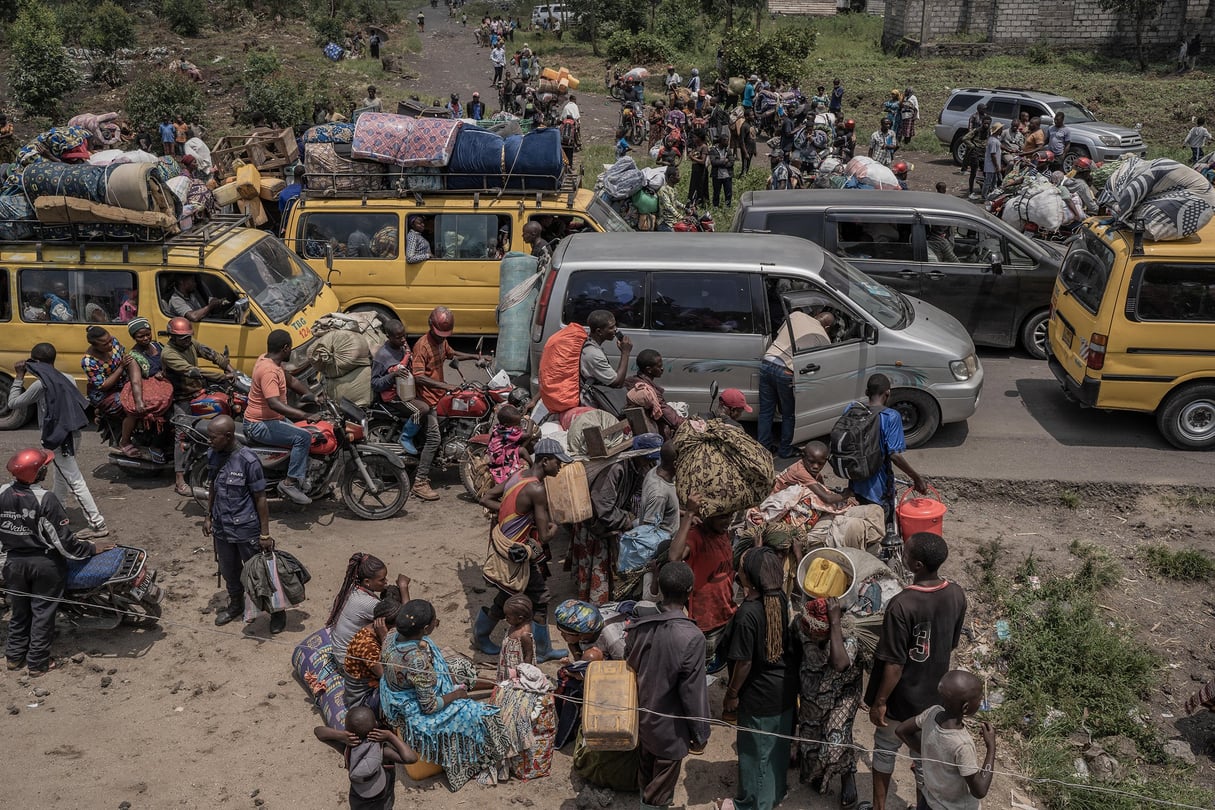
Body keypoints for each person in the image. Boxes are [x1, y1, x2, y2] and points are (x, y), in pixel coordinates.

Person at [866, 532, 969, 810]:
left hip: (901, 699)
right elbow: (951, 644)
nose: (904, 556)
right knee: (924, 759)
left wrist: (880, 702)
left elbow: (895, 664)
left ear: (917, 565)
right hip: (935, 700)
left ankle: (879, 807)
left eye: (908, 554)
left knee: (885, 750)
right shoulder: (957, 594)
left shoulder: (901, 604)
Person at [0, 449, 112, 676]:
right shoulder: (46, 499)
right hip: (44, 565)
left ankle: (13, 657)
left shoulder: (2, 492)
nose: (46, 469)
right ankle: (38, 663)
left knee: (20, 611)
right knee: (43, 613)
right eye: (44, 467)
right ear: (39, 473)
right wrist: (91, 548)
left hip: (12, 563)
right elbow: (65, 544)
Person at [380, 600, 510, 791]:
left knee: (459, 667)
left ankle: (493, 684)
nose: (436, 622)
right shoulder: (416, 660)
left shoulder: (392, 635)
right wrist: (456, 694)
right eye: (434, 620)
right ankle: (471, 766)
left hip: (406, 686)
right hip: (414, 708)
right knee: (482, 715)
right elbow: (429, 706)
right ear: (425, 628)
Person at [625, 561, 711, 809]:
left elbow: (630, 663)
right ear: (690, 591)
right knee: (660, 793)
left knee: (646, 776)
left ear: (659, 588)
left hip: (641, 722)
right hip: (670, 731)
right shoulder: (692, 637)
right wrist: (700, 733)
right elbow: (693, 694)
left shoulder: (640, 628)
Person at [475, 439, 570, 657]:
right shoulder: (537, 488)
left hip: (503, 545)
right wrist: (558, 525)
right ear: (545, 461)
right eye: (558, 462)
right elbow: (545, 536)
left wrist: (516, 514)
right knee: (540, 597)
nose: (560, 467)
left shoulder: (518, 475)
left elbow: (486, 498)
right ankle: (543, 650)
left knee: (507, 593)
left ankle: (481, 634)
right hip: (517, 552)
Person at [720, 548, 799, 810]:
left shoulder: (748, 614)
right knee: (775, 748)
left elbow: (744, 663)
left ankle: (752, 804)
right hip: (784, 689)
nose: (738, 571)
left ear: (749, 578)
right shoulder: (780, 599)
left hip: (758, 694)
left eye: (741, 568)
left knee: (756, 753)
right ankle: (776, 792)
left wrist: (731, 695)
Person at [8, 344, 109, 540]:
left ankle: (98, 524)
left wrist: (19, 376)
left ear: (35, 362)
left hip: (58, 439)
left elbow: (13, 403)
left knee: (75, 480)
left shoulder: (41, 384)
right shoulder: (66, 377)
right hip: (73, 435)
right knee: (61, 477)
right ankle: (58, 512)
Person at [201, 415, 271, 626]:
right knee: (229, 571)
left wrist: (265, 534)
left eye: (213, 437)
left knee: (257, 573)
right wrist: (208, 515)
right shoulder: (213, 454)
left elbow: (261, 498)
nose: (209, 441)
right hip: (222, 528)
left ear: (228, 436)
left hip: (246, 529)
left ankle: (275, 612)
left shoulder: (248, 460)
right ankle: (236, 606)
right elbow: (212, 485)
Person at [411, 306, 484, 501]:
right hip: (426, 397)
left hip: (439, 395)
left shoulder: (441, 341)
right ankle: (420, 481)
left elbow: (452, 354)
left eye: (445, 334)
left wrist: (475, 357)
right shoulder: (422, 346)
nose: (442, 337)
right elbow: (418, 377)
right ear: (430, 326)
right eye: (439, 334)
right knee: (433, 438)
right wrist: (445, 385)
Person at [897, 671, 995, 810]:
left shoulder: (932, 713)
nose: (981, 701)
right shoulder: (962, 744)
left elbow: (901, 731)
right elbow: (980, 790)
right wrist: (991, 747)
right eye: (979, 699)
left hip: (929, 801)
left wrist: (927, 753)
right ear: (965, 707)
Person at [161, 317, 235, 496]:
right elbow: (192, 371)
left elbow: (209, 352)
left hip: (199, 391)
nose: (187, 340)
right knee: (183, 434)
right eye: (183, 338)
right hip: (182, 397)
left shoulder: (189, 343)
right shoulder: (168, 353)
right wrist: (220, 377)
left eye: (188, 336)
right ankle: (179, 480)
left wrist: (228, 368)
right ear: (173, 336)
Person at [242, 330, 317, 506]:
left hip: (273, 419)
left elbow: (291, 381)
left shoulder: (269, 360)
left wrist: (313, 396)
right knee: (303, 436)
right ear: (285, 348)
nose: (291, 351)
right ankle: (289, 483)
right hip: (259, 424)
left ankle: (302, 475)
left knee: (309, 432)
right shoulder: (268, 371)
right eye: (290, 347)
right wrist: (306, 415)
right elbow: (274, 404)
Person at [845, 373, 927, 529]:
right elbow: (894, 455)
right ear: (887, 393)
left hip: (854, 482)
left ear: (866, 392)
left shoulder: (851, 409)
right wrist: (916, 478)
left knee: (860, 525)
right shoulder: (890, 416)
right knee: (881, 528)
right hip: (878, 489)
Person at [668, 494, 735, 672]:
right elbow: (674, 557)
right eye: (722, 516)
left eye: (730, 515)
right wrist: (689, 514)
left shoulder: (724, 534)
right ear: (709, 515)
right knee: (698, 669)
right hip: (705, 620)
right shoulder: (696, 536)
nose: (727, 521)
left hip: (725, 613)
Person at [759, 309, 833, 458]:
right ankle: (785, 450)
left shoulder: (796, 315)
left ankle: (763, 449)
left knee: (766, 411)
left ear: (816, 315)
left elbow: (781, 334)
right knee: (788, 414)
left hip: (767, 361)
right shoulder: (822, 336)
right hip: (786, 370)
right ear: (828, 327)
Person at [314, 705, 417, 810]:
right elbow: (411, 758)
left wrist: (341, 735)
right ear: (376, 725)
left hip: (358, 796)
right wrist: (390, 736)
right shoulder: (382, 750)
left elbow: (318, 732)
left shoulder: (347, 747)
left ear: (347, 729)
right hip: (382, 798)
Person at [342, 595, 401, 711]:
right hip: (364, 697)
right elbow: (389, 678)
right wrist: (385, 638)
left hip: (377, 681)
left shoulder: (376, 630)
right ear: (387, 626)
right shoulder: (368, 646)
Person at [626, 349, 685, 439]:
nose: (662, 369)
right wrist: (688, 424)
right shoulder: (649, 392)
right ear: (649, 370)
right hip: (655, 433)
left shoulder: (632, 381)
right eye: (659, 366)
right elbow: (671, 419)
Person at [82, 326, 128, 422]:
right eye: (105, 344)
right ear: (95, 346)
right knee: (127, 405)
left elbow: (123, 355)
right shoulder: (89, 361)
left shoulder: (114, 341)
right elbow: (103, 386)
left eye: (110, 340)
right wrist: (121, 368)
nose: (110, 344)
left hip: (122, 382)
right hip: (104, 392)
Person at [580, 309, 633, 393]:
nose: (615, 330)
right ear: (599, 331)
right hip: (591, 401)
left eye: (615, 326)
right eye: (611, 327)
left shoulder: (591, 345)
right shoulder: (593, 354)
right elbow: (617, 383)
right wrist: (625, 353)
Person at [486, 404, 534, 485]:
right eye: (516, 424)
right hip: (499, 458)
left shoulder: (498, 427)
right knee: (522, 450)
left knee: (519, 445)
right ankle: (533, 468)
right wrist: (531, 422)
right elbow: (528, 435)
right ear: (506, 425)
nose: (518, 425)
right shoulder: (507, 431)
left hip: (494, 454)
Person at [496, 594, 537, 683]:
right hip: (507, 665)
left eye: (508, 617)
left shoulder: (524, 634)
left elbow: (528, 655)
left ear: (520, 618)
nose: (505, 619)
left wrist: (525, 675)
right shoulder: (514, 625)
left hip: (518, 669)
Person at [655, 165, 685, 231]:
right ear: (671, 177)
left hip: (673, 222)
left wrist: (685, 207)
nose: (679, 177)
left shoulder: (673, 189)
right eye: (677, 175)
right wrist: (681, 217)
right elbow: (668, 205)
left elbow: (675, 201)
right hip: (665, 224)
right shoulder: (663, 190)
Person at [710, 133, 734, 207]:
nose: (727, 143)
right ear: (721, 141)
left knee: (728, 193)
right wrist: (724, 161)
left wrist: (721, 163)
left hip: (727, 175)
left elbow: (732, 162)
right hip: (717, 176)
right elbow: (713, 162)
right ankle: (715, 206)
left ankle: (728, 206)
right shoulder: (713, 150)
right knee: (716, 192)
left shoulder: (728, 150)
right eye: (726, 141)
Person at [983, 122, 1004, 197]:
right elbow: (993, 154)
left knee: (994, 181)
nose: (1002, 130)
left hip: (994, 165)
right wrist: (997, 166)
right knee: (988, 181)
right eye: (1001, 129)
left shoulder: (996, 139)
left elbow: (1000, 147)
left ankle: (992, 195)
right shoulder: (993, 141)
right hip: (991, 165)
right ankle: (984, 196)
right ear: (998, 130)